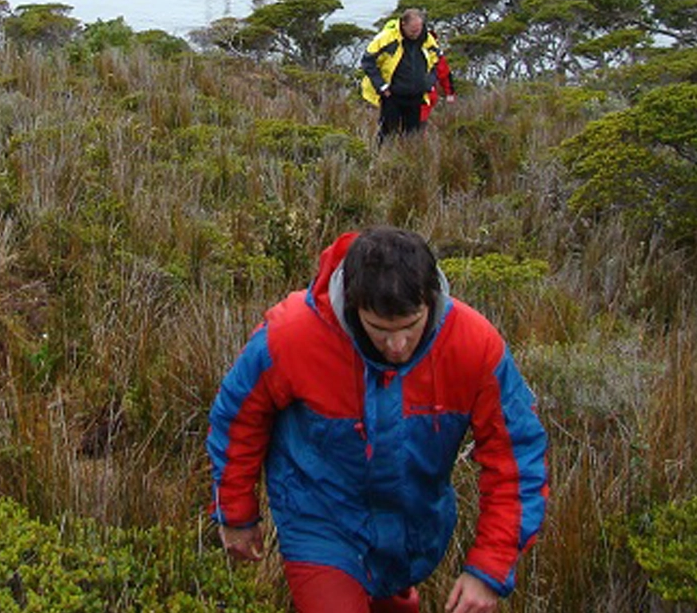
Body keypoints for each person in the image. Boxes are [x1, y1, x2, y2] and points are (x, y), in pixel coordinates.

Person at [207, 227, 548, 613]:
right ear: (353, 307)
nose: (398, 345)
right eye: (381, 330)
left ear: (432, 299)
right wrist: (235, 512)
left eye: (410, 326)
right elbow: (236, 416)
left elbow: (517, 455)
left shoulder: (474, 345)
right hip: (318, 519)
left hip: (412, 529)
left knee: (391, 600)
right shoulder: (292, 336)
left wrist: (490, 567)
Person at [361, 9, 454, 141]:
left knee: (412, 136)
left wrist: (429, 83)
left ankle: (408, 159)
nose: (416, 34)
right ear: (403, 24)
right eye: (413, 30)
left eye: (419, 29)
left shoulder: (427, 39)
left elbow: (437, 62)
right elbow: (368, 61)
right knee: (387, 134)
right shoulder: (387, 38)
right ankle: (383, 159)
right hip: (392, 95)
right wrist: (381, 86)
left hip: (416, 96)